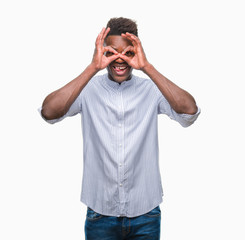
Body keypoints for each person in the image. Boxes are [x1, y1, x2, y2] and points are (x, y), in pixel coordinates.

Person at [39, 17, 200, 240]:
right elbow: (49, 112)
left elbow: (189, 112)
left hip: (146, 213)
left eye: (128, 53)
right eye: (112, 52)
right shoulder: (87, 89)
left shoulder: (151, 89)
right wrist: (93, 67)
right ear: (102, 52)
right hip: (100, 213)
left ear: (137, 53)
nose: (120, 59)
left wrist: (147, 67)